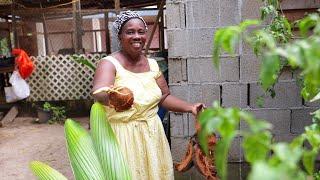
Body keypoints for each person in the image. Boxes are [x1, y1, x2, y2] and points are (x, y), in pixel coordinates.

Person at [92, 10, 204, 180]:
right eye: (130, 32)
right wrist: (115, 98)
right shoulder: (109, 63)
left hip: (153, 134)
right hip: (123, 137)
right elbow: (99, 92)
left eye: (141, 31)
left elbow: (164, 97)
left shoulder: (152, 65)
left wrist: (190, 107)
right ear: (120, 36)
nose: (137, 36)